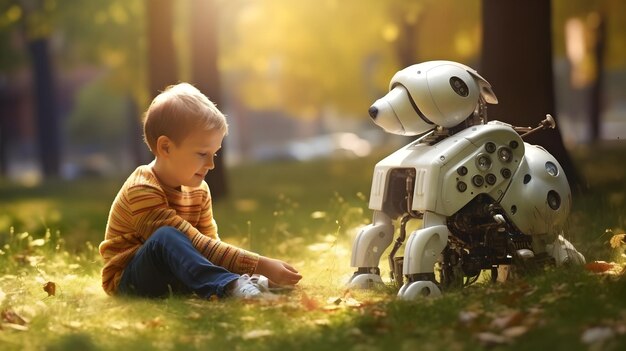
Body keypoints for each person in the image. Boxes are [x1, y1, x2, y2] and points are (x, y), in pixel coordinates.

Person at [98, 83, 302, 299]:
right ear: (166, 147)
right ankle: (231, 286)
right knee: (166, 237)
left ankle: (238, 281)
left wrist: (244, 268)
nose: (211, 164)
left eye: (215, 153)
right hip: (131, 281)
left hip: (178, 273)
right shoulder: (142, 189)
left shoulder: (200, 191)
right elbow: (195, 243)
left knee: (196, 250)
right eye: (202, 153)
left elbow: (209, 245)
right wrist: (259, 265)